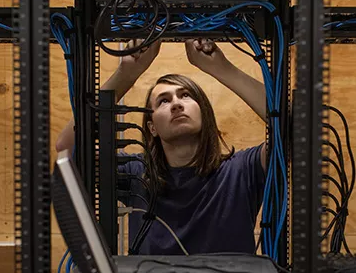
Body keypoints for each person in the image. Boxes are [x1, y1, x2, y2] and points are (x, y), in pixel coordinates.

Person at [56, 39, 267, 255]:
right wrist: (126, 74)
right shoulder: (137, 174)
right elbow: (67, 149)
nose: (176, 104)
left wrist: (222, 69)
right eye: (163, 101)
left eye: (186, 95)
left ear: (204, 113)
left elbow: (292, 126)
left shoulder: (241, 171)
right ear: (152, 128)